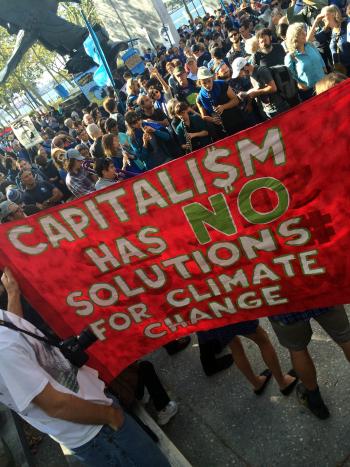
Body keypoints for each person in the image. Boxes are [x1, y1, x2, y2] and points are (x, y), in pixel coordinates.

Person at [0, 267, 171, 466]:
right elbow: (56, 405)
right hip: (98, 431)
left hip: (96, 418)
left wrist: (14, 293)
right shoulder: (2, 350)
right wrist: (110, 416)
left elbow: (15, 332)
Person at [269, 306, 350, 419]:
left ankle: (315, 400)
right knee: (346, 338)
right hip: (321, 293)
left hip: (283, 304)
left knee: (297, 350)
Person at [196, 67, 246, 139]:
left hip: (236, 120)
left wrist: (223, 107)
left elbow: (236, 100)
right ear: (200, 82)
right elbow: (204, 116)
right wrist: (213, 119)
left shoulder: (222, 84)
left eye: (209, 81)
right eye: (204, 83)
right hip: (221, 129)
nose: (208, 85)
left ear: (212, 78)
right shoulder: (199, 98)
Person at [284, 23, 326, 101]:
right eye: (301, 33)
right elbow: (291, 76)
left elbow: (320, 59)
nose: (304, 33)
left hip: (323, 85)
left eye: (304, 31)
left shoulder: (310, 45)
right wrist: (299, 84)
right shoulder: (290, 57)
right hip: (309, 93)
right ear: (294, 37)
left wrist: (325, 70)